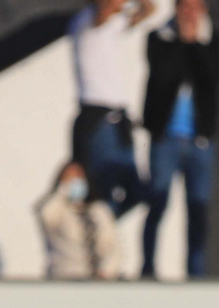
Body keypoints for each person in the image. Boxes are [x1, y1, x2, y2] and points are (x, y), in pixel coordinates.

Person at [140, 0, 219, 279]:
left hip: (200, 142)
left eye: (195, 8)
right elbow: (163, 75)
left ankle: (195, 273)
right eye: (185, 8)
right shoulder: (158, 39)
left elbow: (211, 78)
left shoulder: (215, 41)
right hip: (166, 140)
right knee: (157, 202)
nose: (190, 15)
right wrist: (182, 41)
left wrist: (195, 44)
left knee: (198, 209)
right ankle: (148, 268)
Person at [68, 0, 155, 216]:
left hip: (119, 123)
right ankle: (97, 230)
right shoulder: (88, 21)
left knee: (138, 191)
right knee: (103, 193)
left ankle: (100, 229)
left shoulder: (113, 24)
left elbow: (150, 9)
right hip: (98, 121)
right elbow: (104, 10)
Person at [37, 161, 121, 280]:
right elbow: (46, 216)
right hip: (63, 279)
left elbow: (112, 244)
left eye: (79, 177)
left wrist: (108, 270)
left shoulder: (99, 210)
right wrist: (62, 192)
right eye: (70, 178)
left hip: (97, 280)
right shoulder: (59, 210)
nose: (75, 182)